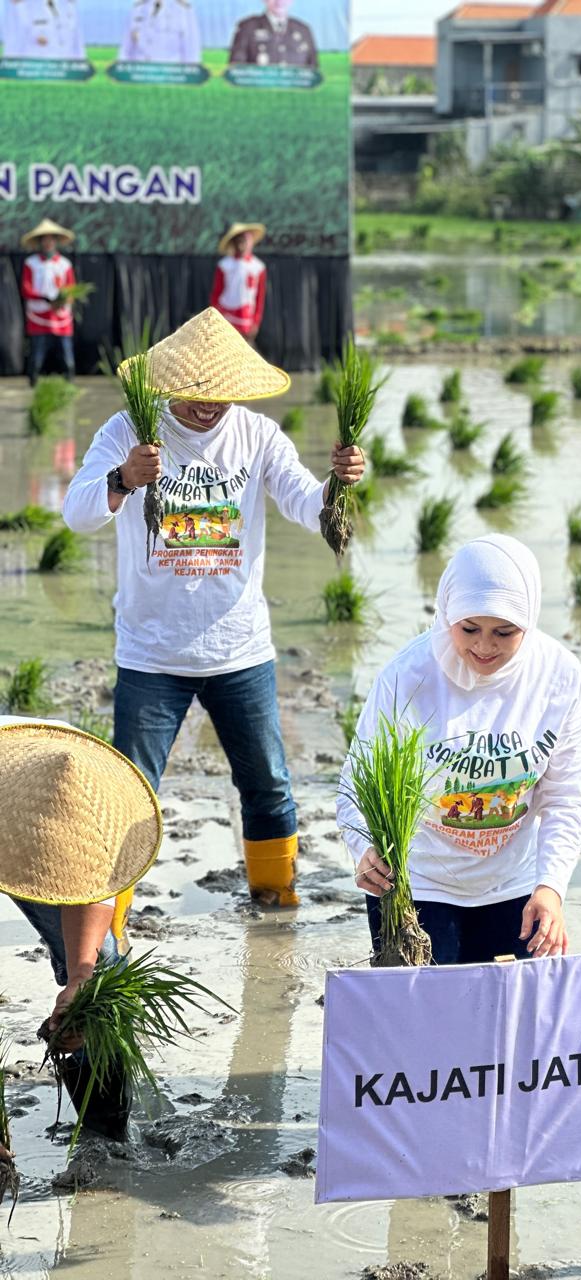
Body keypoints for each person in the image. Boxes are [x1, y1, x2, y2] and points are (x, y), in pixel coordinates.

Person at [62, 307, 365, 910]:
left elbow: (308, 507)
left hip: (240, 651)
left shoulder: (256, 436)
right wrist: (123, 479)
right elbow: (77, 514)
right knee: (132, 796)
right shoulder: (128, 431)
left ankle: (275, 901)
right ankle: (110, 927)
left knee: (269, 785)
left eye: (222, 394)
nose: (208, 406)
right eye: (198, 394)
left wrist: (341, 482)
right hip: (152, 653)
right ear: (169, 380)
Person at [337, 534, 581, 965]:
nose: (485, 646)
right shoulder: (408, 676)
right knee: (426, 1022)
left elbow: (565, 797)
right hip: (419, 885)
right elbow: (356, 785)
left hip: (515, 886)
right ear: (446, 613)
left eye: (505, 632)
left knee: (516, 1023)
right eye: (469, 628)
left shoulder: (559, 677)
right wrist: (364, 848)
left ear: (528, 622)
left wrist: (550, 887)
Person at [0, 717, 161, 1139]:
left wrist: (80, 979)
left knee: (104, 972)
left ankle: (106, 1128)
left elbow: (90, 887)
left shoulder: (76, 782)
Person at [20, 218, 77, 385]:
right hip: (39, 315)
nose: (48, 242)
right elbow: (26, 288)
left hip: (61, 316)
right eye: (44, 239)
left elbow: (71, 288)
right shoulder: (31, 263)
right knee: (37, 355)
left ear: (56, 241)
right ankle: (33, 386)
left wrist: (64, 299)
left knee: (67, 357)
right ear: (39, 242)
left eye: (51, 239)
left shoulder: (65, 264)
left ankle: (69, 386)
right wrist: (44, 299)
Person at [210, 223, 267, 342]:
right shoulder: (224, 265)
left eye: (245, 240)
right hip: (226, 317)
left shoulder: (258, 267)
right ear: (233, 243)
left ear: (250, 242)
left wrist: (256, 322)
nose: (241, 244)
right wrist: (215, 315)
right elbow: (217, 292)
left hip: (246, 319)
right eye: (238, 240)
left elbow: (259, 297)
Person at [228, 1, 316, 68]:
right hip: (260, 90)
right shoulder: (247, 27)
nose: (279, 1)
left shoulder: (304, 30)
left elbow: (314, 71)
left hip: (296, 91)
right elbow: (237, 70)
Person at [118, 0, 201, 64]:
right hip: (140, 73)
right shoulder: (138, 7)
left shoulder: (183, 9)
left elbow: (191, 49)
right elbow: (126, 48)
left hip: (172, 75)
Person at [2, 0, 85, 59]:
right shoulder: (26, 8)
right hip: (33, 60)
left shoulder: (67, 9)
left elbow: (74, 36)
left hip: (59, 59)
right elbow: (24, 28)